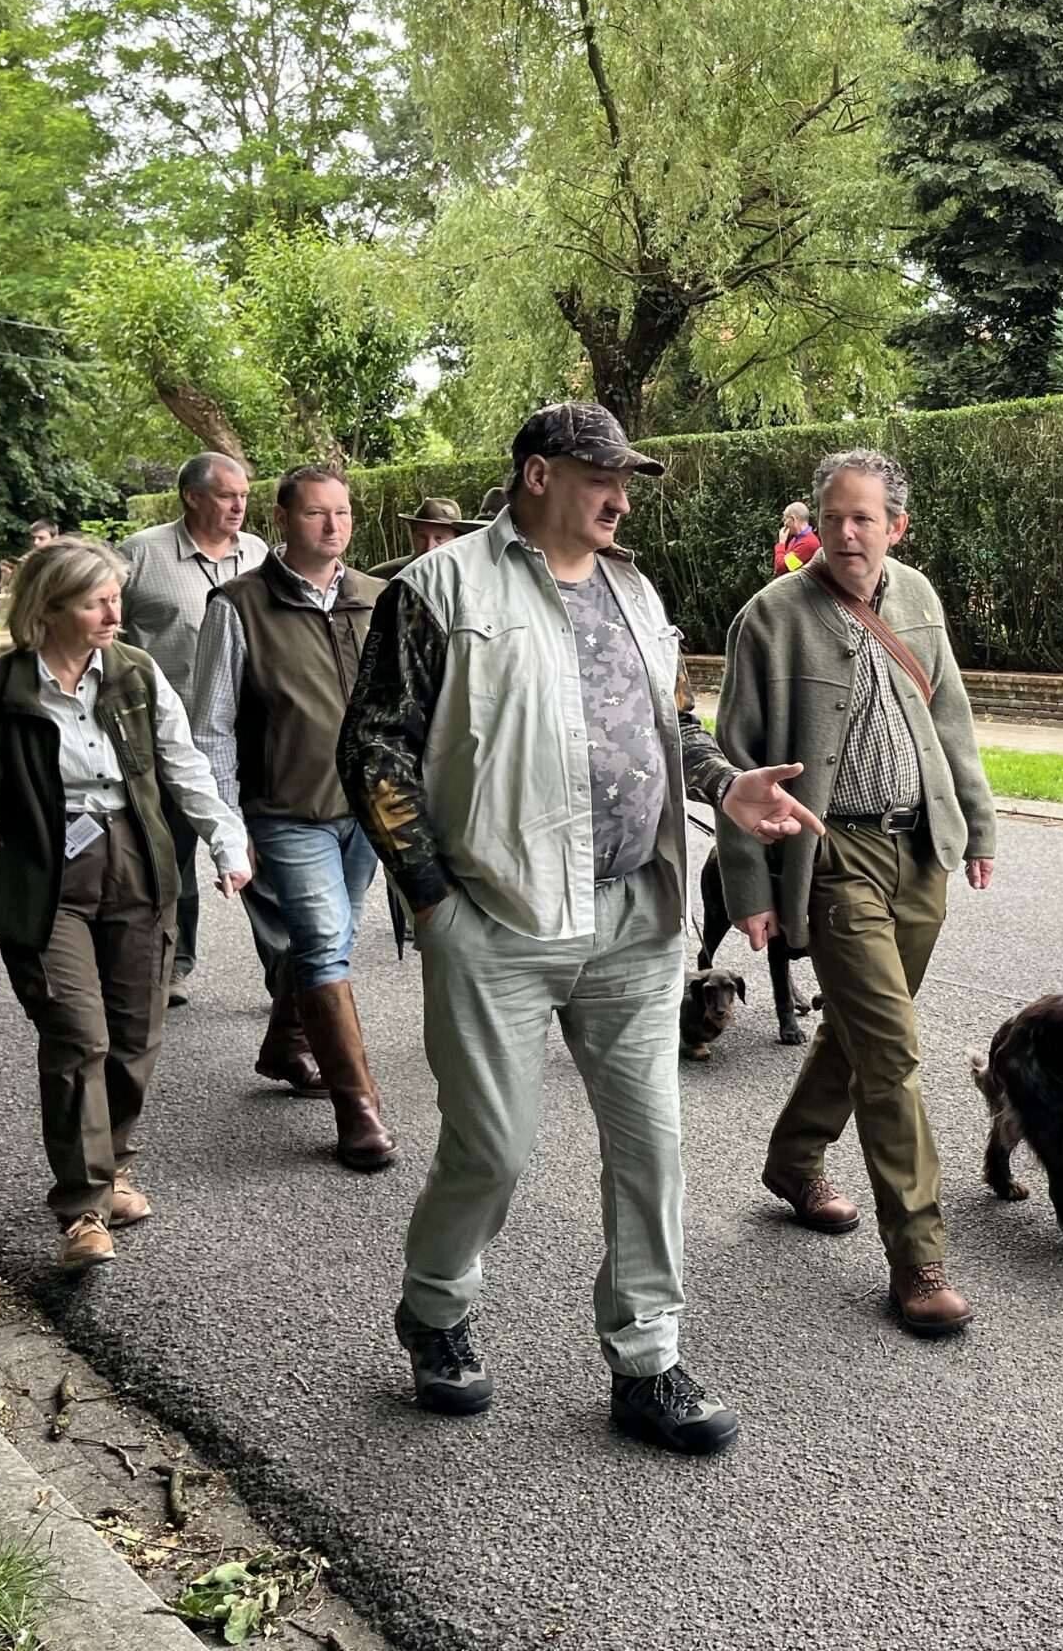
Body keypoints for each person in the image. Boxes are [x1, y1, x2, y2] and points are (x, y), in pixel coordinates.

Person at [339, 401, 818, 1456]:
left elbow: (671, 722)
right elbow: (376, 749)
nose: (621, 496)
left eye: (627, 478)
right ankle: (434, 1307)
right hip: (496, 921)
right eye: (601, 476)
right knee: (494, 1151)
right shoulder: (440, 589)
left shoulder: (637, 592)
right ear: (536, 476)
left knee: (653, 1148)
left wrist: (725, 786)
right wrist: (434, 904)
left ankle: (647, 1360)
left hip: (635, 918)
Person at [721, 447, 1000, 1337]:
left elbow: (951, 717)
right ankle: (918, 1261)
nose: (846, 532)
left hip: (920, 851)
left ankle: (794, 1157)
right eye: (833, 517)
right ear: (814, 523)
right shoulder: (769, 620)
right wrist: (747, 887)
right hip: (830, 853)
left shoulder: (917, 599)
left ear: (895, 527)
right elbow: (736, 759)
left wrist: (979, 826)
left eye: (864, 518)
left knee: (857, 1024)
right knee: (891, 1052)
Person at [0, 541, 250, 1270]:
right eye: (96, 601)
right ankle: (83, 1210)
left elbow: (183, 763)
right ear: (51, 608)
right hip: (45, 882)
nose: (113, 612)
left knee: (135, 1034)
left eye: (115, 598)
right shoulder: (0, 691)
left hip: (136, 860)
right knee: (78, 1038)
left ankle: (114, 1166)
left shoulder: (134, 671)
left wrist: (227, 844)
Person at [193, 467, 393, 1169]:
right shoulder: (238, 605)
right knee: (325, 940)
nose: (332, 526)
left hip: (372, 811)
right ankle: (358, 1109)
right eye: (316, 513)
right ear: (281, 520)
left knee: (326, 940)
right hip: (286, 811)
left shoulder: (380, 599)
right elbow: (213, 726)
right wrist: (225, 825)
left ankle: (285, 1042)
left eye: (341, 513)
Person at [120, 455, 268, 1003]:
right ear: (191, 496)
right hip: (165, 733)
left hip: (243, 734)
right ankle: (174, 964)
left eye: (244, 496)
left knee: (261, 852)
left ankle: (290, 982)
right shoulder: (141, 554)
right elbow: (102, 623)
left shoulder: (257, 554)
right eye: (227, 495)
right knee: (171, 854)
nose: (238, 506)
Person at [368, 497, 481, 581]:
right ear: (412, 535)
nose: (429, 547)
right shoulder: (383, 577)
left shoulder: (468, 580)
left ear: (456, 540)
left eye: (439, 538)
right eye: (422, 537)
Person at [772, 500, 821, 576]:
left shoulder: (808, 544)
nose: (784, 524)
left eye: (785, 519)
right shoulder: (795, 540)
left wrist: (781, 543)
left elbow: (781, 569)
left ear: (793, 519)